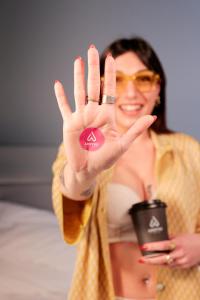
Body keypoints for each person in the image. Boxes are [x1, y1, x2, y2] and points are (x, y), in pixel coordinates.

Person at [52, 37, 200, 300]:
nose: (131, 93)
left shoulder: (189, 150)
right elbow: (71, 194)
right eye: (117, 80)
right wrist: (83, 174)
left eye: (143, 78)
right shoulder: (83, 152)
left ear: (158, 90)